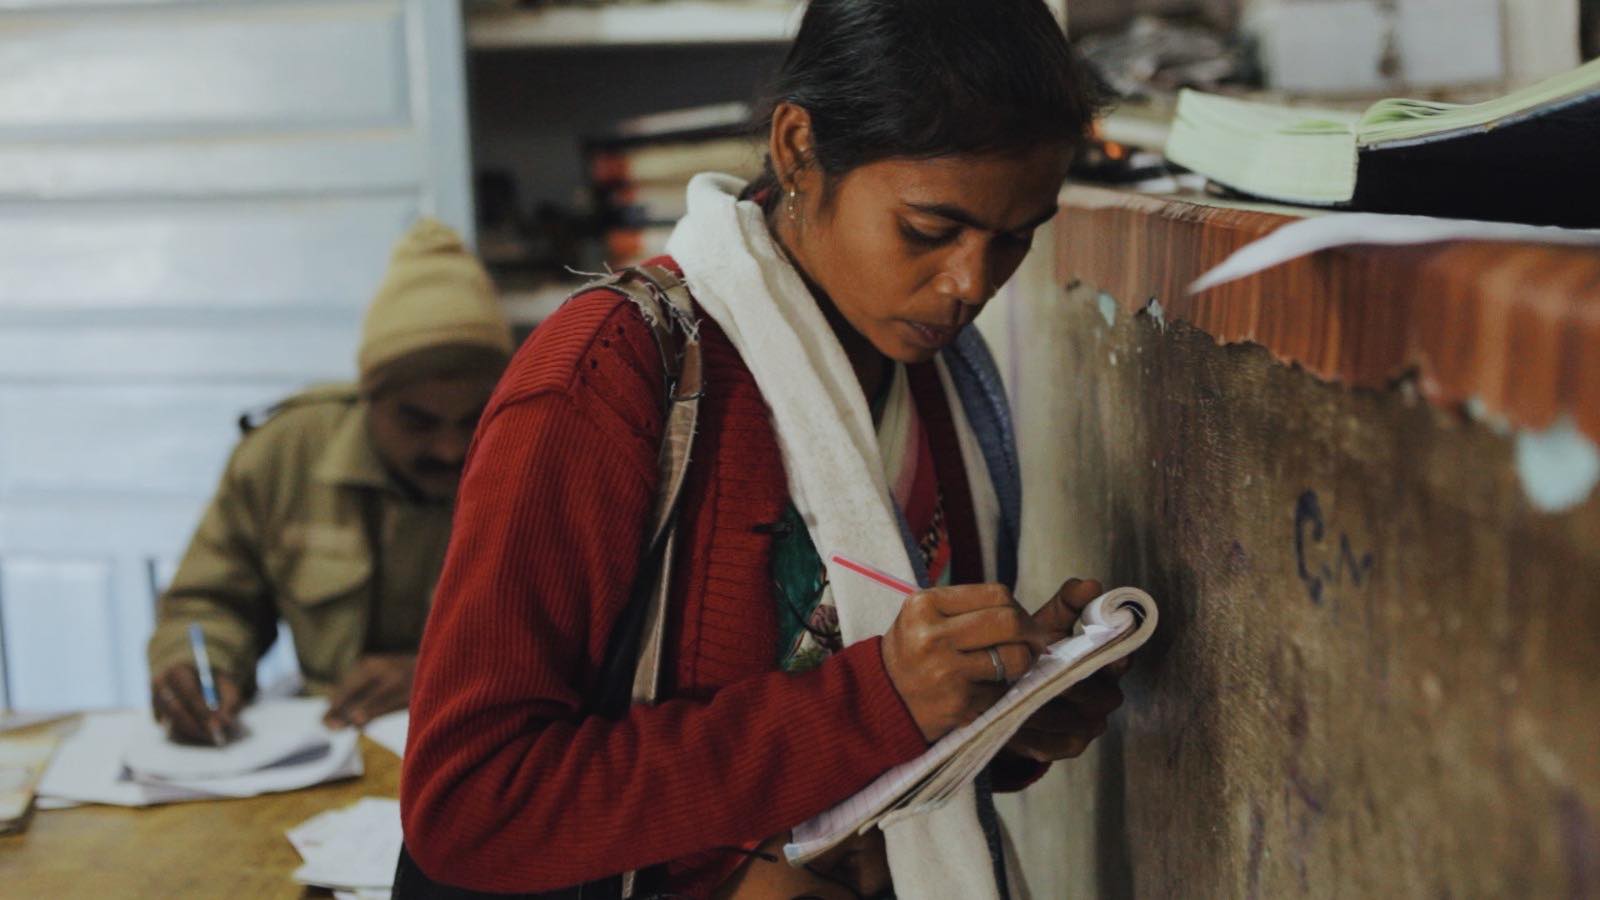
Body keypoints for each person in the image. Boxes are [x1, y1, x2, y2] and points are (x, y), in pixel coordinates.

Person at [401, 1, 1125, 897]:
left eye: (1015, 237)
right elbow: (472, 807)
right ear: (796, 149)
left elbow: (878, 746)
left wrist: (999, 708)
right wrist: (879, 702)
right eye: (929, 230)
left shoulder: (943, 384)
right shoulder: (610, 379)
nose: (971, 283)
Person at [146, 218, 513, 745]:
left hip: (486, 741)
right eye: (418, 421)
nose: (449, 449)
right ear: (368, 399)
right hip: (324, 745)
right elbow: (210, 604)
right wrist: (198, 667)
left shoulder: (538, 462)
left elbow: (591, 641)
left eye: (473, 419)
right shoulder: (282, 458)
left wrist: (440, 676)